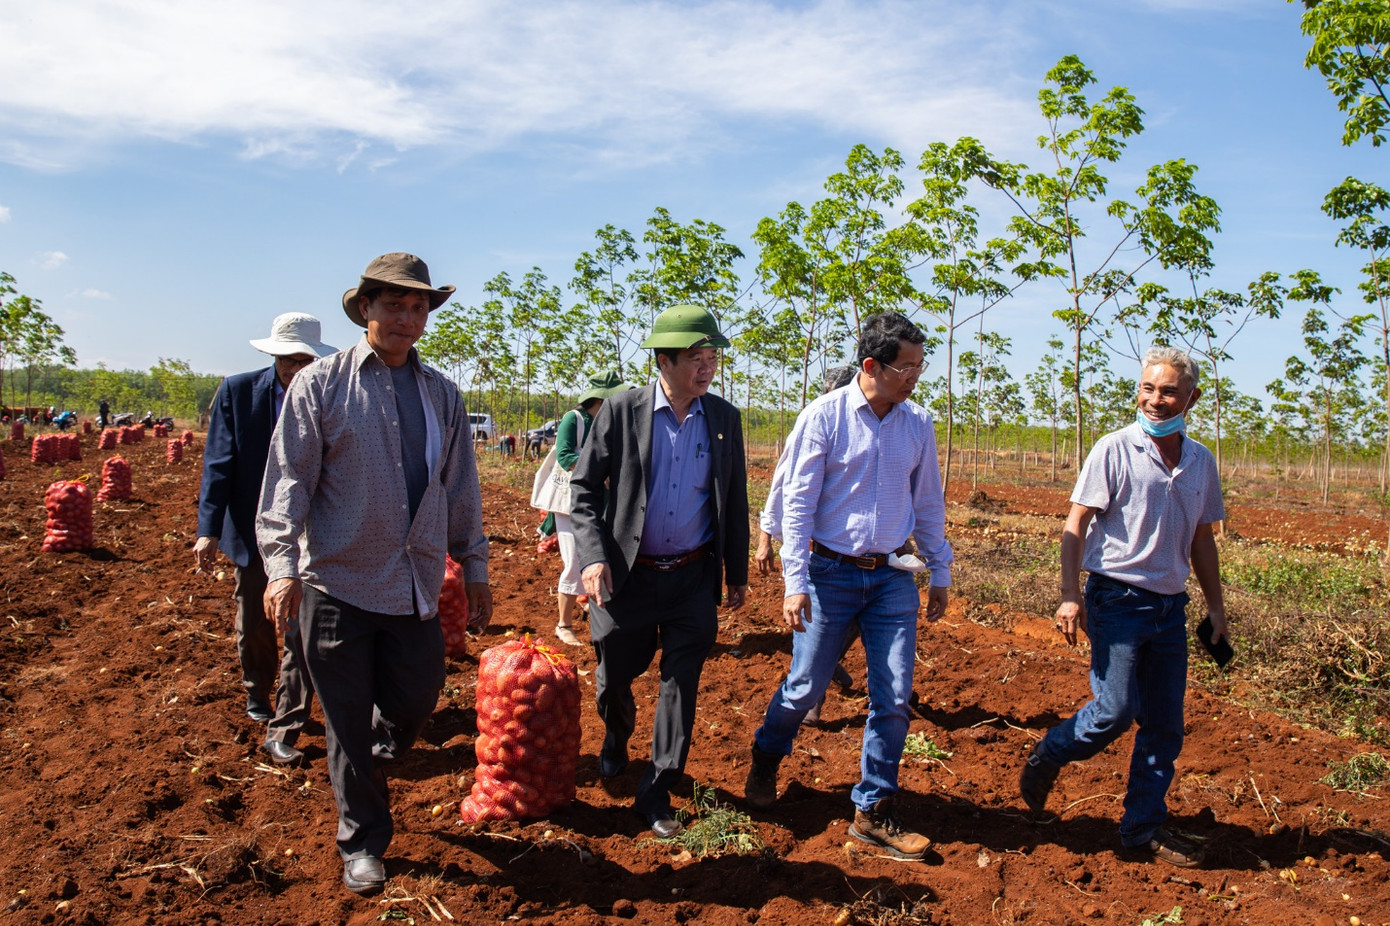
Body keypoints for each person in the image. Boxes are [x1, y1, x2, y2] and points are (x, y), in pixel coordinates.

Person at [256, 253, 493, 896]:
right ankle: (362, 841)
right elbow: (288, 483)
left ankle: (374, 756)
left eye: (418, 308)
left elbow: (460, 487)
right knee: (345, 720)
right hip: (336, 584)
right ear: (365, 308)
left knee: (417, 699)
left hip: (414, 583)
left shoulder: (441, 393)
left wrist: (474, 564)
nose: (407, 319)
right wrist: (281, 568)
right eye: (394, 305)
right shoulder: (321, 385)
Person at [743, 312, 953, 861]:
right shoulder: (825, 416)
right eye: (906, 367)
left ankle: (873, 810)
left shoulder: (918, 423)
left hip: (892, 577)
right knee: (805, 687)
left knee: (894, 695)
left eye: (920, 366)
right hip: (828, 574)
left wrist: (940, 568)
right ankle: (767, 753)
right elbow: (797, 503)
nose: (915, 377)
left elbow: (928, 501)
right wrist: (794, 581)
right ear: (871, 365)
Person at [1019, 346, 1227, 869]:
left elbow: (1203, 540)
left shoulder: (1201, 461)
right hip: (1116, 598)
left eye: (1169, 391)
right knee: (1114, 711)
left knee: (1165, 725)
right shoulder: (1113, 448)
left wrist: (1216, 608)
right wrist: (1070, 594)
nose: (1155, 400)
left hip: (1170, 607)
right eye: (1147, 388)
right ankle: (1051, 751)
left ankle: (1141, 829)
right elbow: (1076, 523)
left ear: (1192, 398)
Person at [570, 304, 749, 839]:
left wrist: (736, 572)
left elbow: (734, 498)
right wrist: (593, 557)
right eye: (696, 358)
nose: (708, 367)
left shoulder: (724, 418)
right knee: (614, 678)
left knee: (680, 683)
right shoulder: (622, 410)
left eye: (713, 357)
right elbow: (583, 489)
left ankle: (656, 790)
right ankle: (615, 735)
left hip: (692, 577)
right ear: (663, 361)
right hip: (627, 577)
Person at [195, 313, 337, 752]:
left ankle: (290, 708)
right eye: (287, 359)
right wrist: (208, 529)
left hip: (311, 527)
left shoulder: (329, 393)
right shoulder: (238, 392)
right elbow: (219, 463)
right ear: (273, 357)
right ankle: (257, 689)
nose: (295, 368)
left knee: (300, 624)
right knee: (255, 619)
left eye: (304, 360)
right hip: (253, 526)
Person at [754, 363, 858, 725]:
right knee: (819, 624)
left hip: (860, 551)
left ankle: (827, 669)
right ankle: (812, 695)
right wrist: (765, 537)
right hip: (818, 547)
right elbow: (783, 483)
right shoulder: (815, 422)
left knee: (857, 621)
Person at [548, 371, 632, 647]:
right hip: (571, 503)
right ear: (600, 399)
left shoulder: (612, 422)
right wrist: (597, 471)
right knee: (575, 562)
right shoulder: (574, 420)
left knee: (604, 557)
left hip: (604, 502)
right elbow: (565, 455)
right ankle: (563, 625)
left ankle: (596, 612)